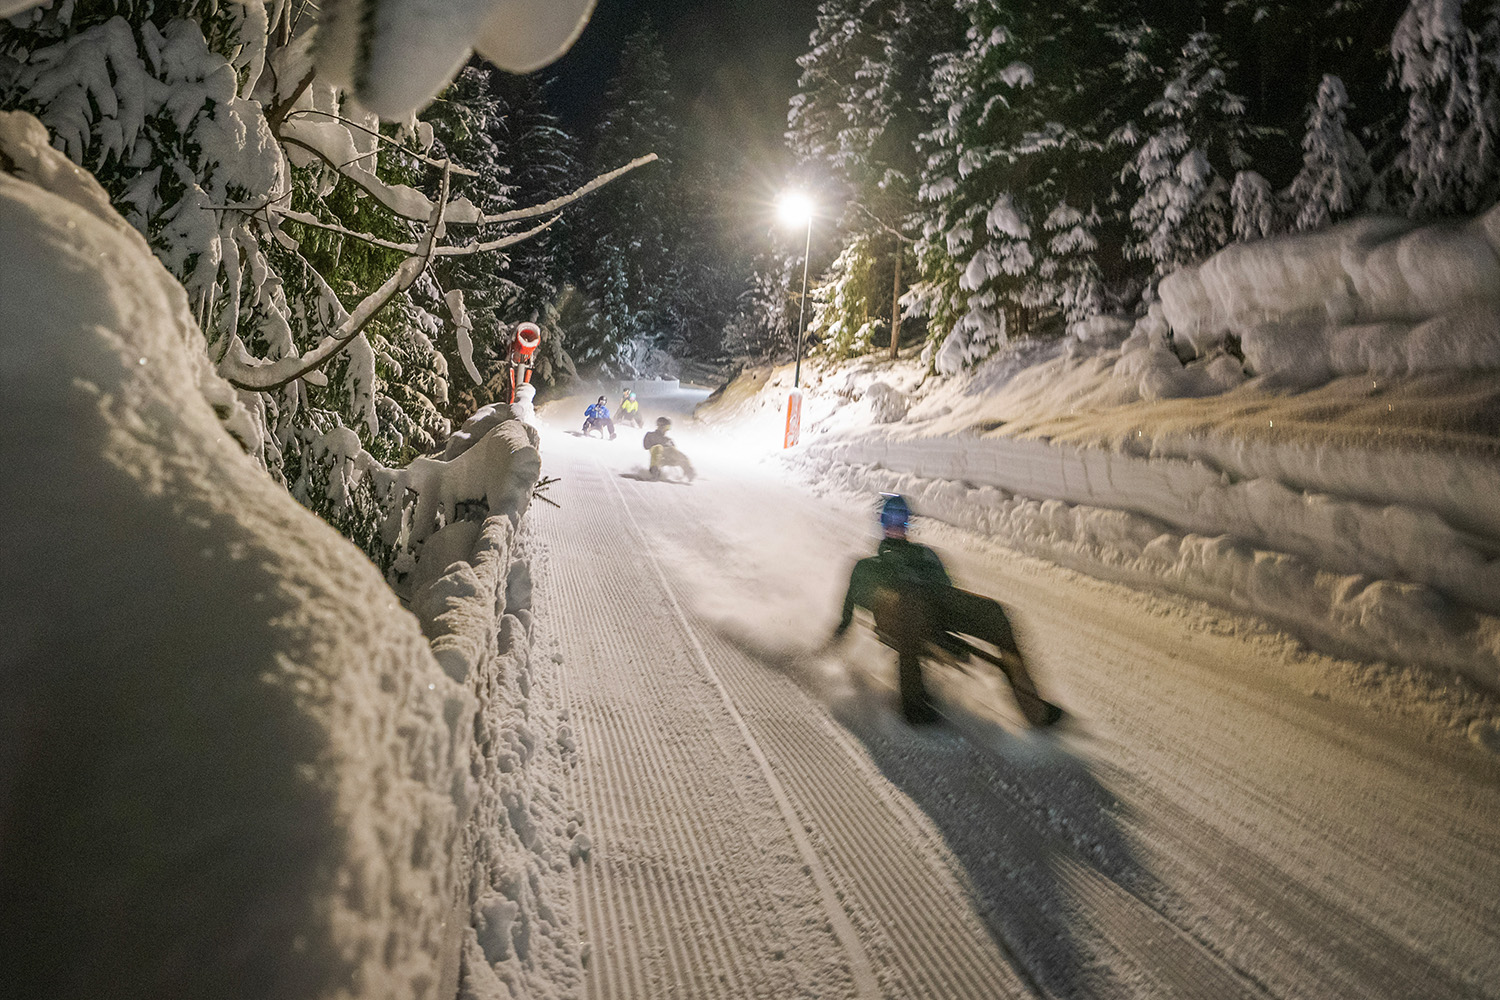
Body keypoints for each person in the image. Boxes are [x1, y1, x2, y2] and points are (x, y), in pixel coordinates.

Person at [832, 493, 1062, 726]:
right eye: (888, 520)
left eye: (901, 520)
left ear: (909, 523)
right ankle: (913, 704)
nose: (895, 526)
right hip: (898, 618)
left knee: (994, 612)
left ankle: (1034, 708)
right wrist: (837, 636)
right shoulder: (867, 565)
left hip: (933, 616)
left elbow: (948, 594)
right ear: (880, 523)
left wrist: (955, 626)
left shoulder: (926, 555)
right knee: (909, 601)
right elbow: (850, 608)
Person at [642, 417, 695, 481]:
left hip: (668, 459)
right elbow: (646, 446)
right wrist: (656, 444)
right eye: (666, 427)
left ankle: (689, 471)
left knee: (673, 450)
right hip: (657, 456)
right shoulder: (650, 435)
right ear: (660, 426)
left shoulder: (668, 440)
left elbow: (676, 453)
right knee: (658, 447)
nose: (667, 430)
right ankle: (654, 470)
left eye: (669, 428)